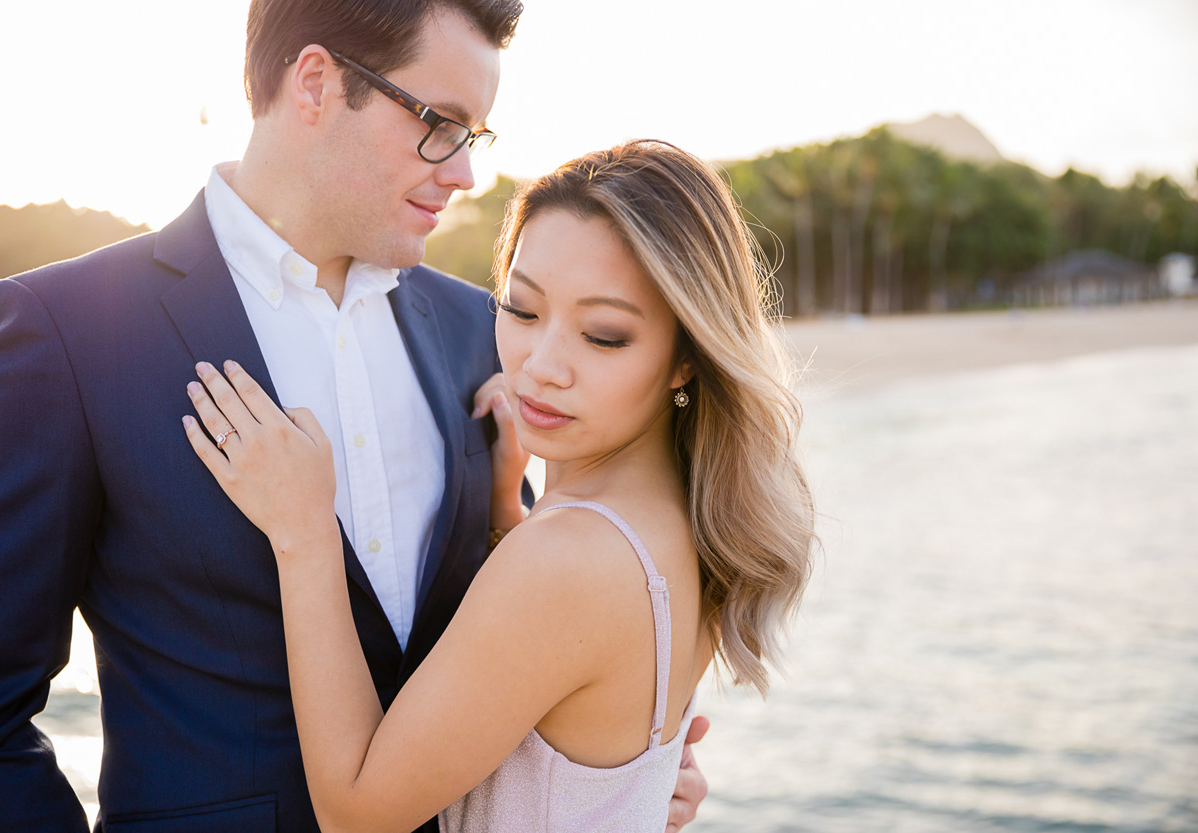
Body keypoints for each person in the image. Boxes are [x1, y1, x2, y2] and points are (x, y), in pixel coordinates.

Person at [0, 3, 705, 831]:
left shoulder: (483, 330)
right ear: (316, 83)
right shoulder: (69, 333)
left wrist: (620, 764)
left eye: (474, 135)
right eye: (441, 123)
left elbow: (522, 630)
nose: (464, 174)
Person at [181, 140, 816, 832]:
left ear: (686, 358)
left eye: (603, 336)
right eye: (520, 310)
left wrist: (306, 533)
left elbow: (356, 812)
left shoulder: (564, 561)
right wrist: (506, 509)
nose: (542, 366)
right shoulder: (688, 524)